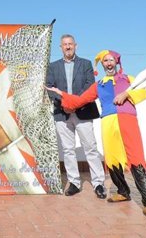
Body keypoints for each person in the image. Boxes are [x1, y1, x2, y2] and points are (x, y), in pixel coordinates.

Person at [47, 50, 146, 221]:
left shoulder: (128, 80)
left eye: (111, 60)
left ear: (116, 62)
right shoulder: (98, 84)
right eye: (105, 61)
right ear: (102, 65)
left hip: (127, 120)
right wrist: (61, 93)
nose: (108, 63)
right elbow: (80, 100)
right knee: (113, 159)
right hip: (108, 123)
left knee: (136, 159)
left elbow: (143, 93)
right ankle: (123, 192)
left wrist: (127, 94)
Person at [46, 34, 106, 199]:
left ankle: (99, 183)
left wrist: (75, 104)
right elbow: (49, 88)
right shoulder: (53, 67)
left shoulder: (86, 64)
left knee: (91, 148)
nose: (68, 47)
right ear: (60, 48)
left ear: (76, 46)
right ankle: (73, 182)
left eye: (70, 44)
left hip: (84, 111)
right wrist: (66, 104)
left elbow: (89, 88)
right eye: (64, 44)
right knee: (68, 149)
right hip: (62, 113)